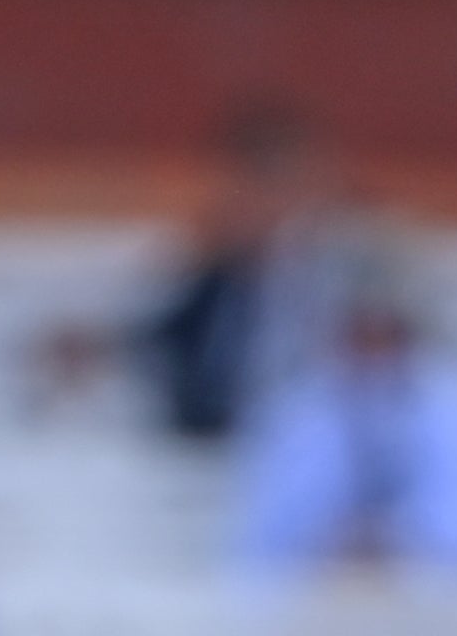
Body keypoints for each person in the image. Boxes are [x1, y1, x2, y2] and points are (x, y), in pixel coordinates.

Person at [229, 252, 457, 578]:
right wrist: (335, 540)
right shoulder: (297, 413)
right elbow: (268, 522)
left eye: (384, 335)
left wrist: (400, 539)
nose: (373, 352)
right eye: (362, 334)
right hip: (320, 591)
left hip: (440, 591)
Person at [137, 104, 359, 442]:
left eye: (283, 185)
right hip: (206, 439)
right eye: (253, 186)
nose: (267, 204)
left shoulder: (345, 274)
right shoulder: (199, 280)